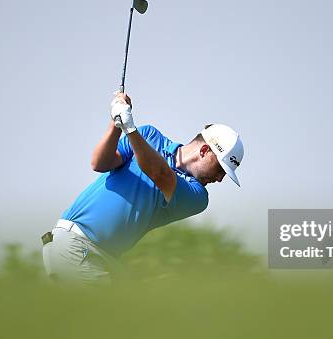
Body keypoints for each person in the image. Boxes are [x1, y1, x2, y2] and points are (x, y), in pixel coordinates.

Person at [41, 92, 244, 283]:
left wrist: (130, 129)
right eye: (220, 169)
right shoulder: (148, 135)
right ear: (205, 150)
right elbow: (99, 163)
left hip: (102, 258)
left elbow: (160, 175)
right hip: (77, 246)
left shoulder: (198, 197)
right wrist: (116, 123)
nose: (219, 179)